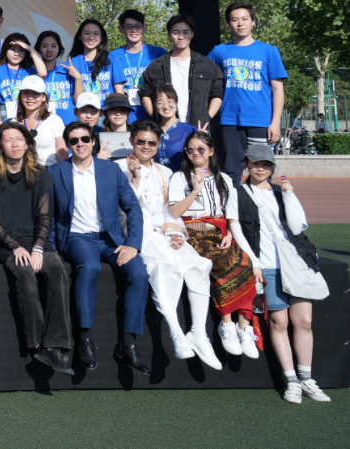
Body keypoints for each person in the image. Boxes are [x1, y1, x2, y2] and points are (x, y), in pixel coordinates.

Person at [49, 121, 151, 374]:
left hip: (110, 238)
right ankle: (84, 339)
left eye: (85, 139)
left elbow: (133, 208)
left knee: (139, 273)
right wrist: (52, 247)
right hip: (76, 238)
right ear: (68, 145)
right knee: (90, 267)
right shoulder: (55, 172)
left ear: (93, 141)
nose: (80, 144)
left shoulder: (110, 170)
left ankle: (127, 343)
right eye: (74, 141)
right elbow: (47, 214)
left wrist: (133, 245)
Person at [0, 122, 72, 375]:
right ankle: (37, 343)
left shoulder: (40, 174)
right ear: (0, 146)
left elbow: (45, 217)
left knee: (58, 270)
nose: (15, 144)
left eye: (19, 139)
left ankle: (55, 344)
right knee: (26, 272)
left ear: (27, 144)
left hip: (36, 241)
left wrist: (38, 248)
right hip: (6, 243)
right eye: (9, 140)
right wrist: (15, 246)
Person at [235, 144, 330, 403]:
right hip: (266, 268)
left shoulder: (281, 192)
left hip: (296, 264)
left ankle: (307, 378)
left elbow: (297, 228)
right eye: (256, 163)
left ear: (273, 167)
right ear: (247, 164)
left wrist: (290, 197)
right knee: (279, 322)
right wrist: (254, 262)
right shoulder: (238, 193)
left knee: (304, 321)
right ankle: (291, 380)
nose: (261, 168)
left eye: (266, 164)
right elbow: (236, 229)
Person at [122, 121, 220, 369]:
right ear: (131, 141)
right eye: (141, 141)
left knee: (199, 265)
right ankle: (176, 332)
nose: (146, 146)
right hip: (139, 235)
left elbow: (171, 210)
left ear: (158, 145)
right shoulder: (117, 169)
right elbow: (124, 209)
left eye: (152, 142)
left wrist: (177, 233)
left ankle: (198, 332)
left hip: (166, 233)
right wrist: (135, 179)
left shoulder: (166, 172)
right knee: (164, 268)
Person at [168, 131, 263, 360]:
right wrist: (195, 191)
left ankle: (244, 326)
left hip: (220, 232)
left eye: (201, 149)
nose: (196, 153)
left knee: (244, 262)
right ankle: (226, 323)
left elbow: (232, 219)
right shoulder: (179, 178)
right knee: (221, 262)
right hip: (193, 233)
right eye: (191, 149)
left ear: (211, 151)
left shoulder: (225, 180)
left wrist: (232, 235)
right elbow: (175, 212)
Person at [209, 2, 287, 182]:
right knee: (231, 172)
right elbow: (205, 79)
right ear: (228, 24)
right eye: (234, 20)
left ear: (253, 22)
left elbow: (277, 89)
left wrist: (275, 122)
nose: (240, 23)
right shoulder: (219, 51)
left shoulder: (269, 51)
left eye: (244, 19)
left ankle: (261, 202)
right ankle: (233, 201)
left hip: (261, 120)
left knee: (261, 171)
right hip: (229, 120)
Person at [138, 14, 223, 129]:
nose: (181, 37)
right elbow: (145, 93)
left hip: (197, 128)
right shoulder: (156, 66)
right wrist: (156, 117)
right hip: (167, 128)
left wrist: (206, 119)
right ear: (169, 35)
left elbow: (217, 94)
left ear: (192, 34)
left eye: (185, 32)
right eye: (176, 32)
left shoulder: (207, 65)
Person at [107, 10, 166, 122]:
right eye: (129, 26)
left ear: (144, 28)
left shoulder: (158, 53)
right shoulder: (112, 56)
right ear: (121, 29)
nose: (134, 30)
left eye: (138, 26)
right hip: (125, 118)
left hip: (155, 116)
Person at [0, 33, 47, 122]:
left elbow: (43, 73)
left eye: (21, 50)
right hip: (3, 114)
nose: (16, 54)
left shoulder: (29, 72)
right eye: (13, 49)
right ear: (5, 49)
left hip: (25, 113)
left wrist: (30, 49)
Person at [15, 75, 66, 166]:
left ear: (43, 97)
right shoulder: (13, 123)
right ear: (20, 96)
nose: (30, 97)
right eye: (26, 93)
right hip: (21, 171)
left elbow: (63, 157)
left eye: (36, 93)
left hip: (49, 170)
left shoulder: (55, 120)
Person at [151, 85, 197, 172]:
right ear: (155, 106)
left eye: (170, 101)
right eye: (160, 103)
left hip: (182, 178)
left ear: (176, 103)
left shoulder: (190, 130)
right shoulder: (151, 131)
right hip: (158, 178)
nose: (166, 106)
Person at [36, 30, 76, 126]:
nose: (49, 50)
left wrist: (78, 78)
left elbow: (78, 100)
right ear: (39, 48)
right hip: (42, 124)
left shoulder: (68, 70)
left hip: (68, 124)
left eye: (53, 46)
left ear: (59, 49)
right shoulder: (33, 74)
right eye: (44, 46)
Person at [68, 19, 112, 100]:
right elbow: (76, 100)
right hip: (83, 107)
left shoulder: (111, 59)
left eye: (96, 34)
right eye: (87, 33)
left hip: (107, 108)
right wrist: (78, 78)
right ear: (80, 36)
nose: (91, 37)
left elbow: (119, 92)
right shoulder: (72, 63)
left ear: (101, 38)